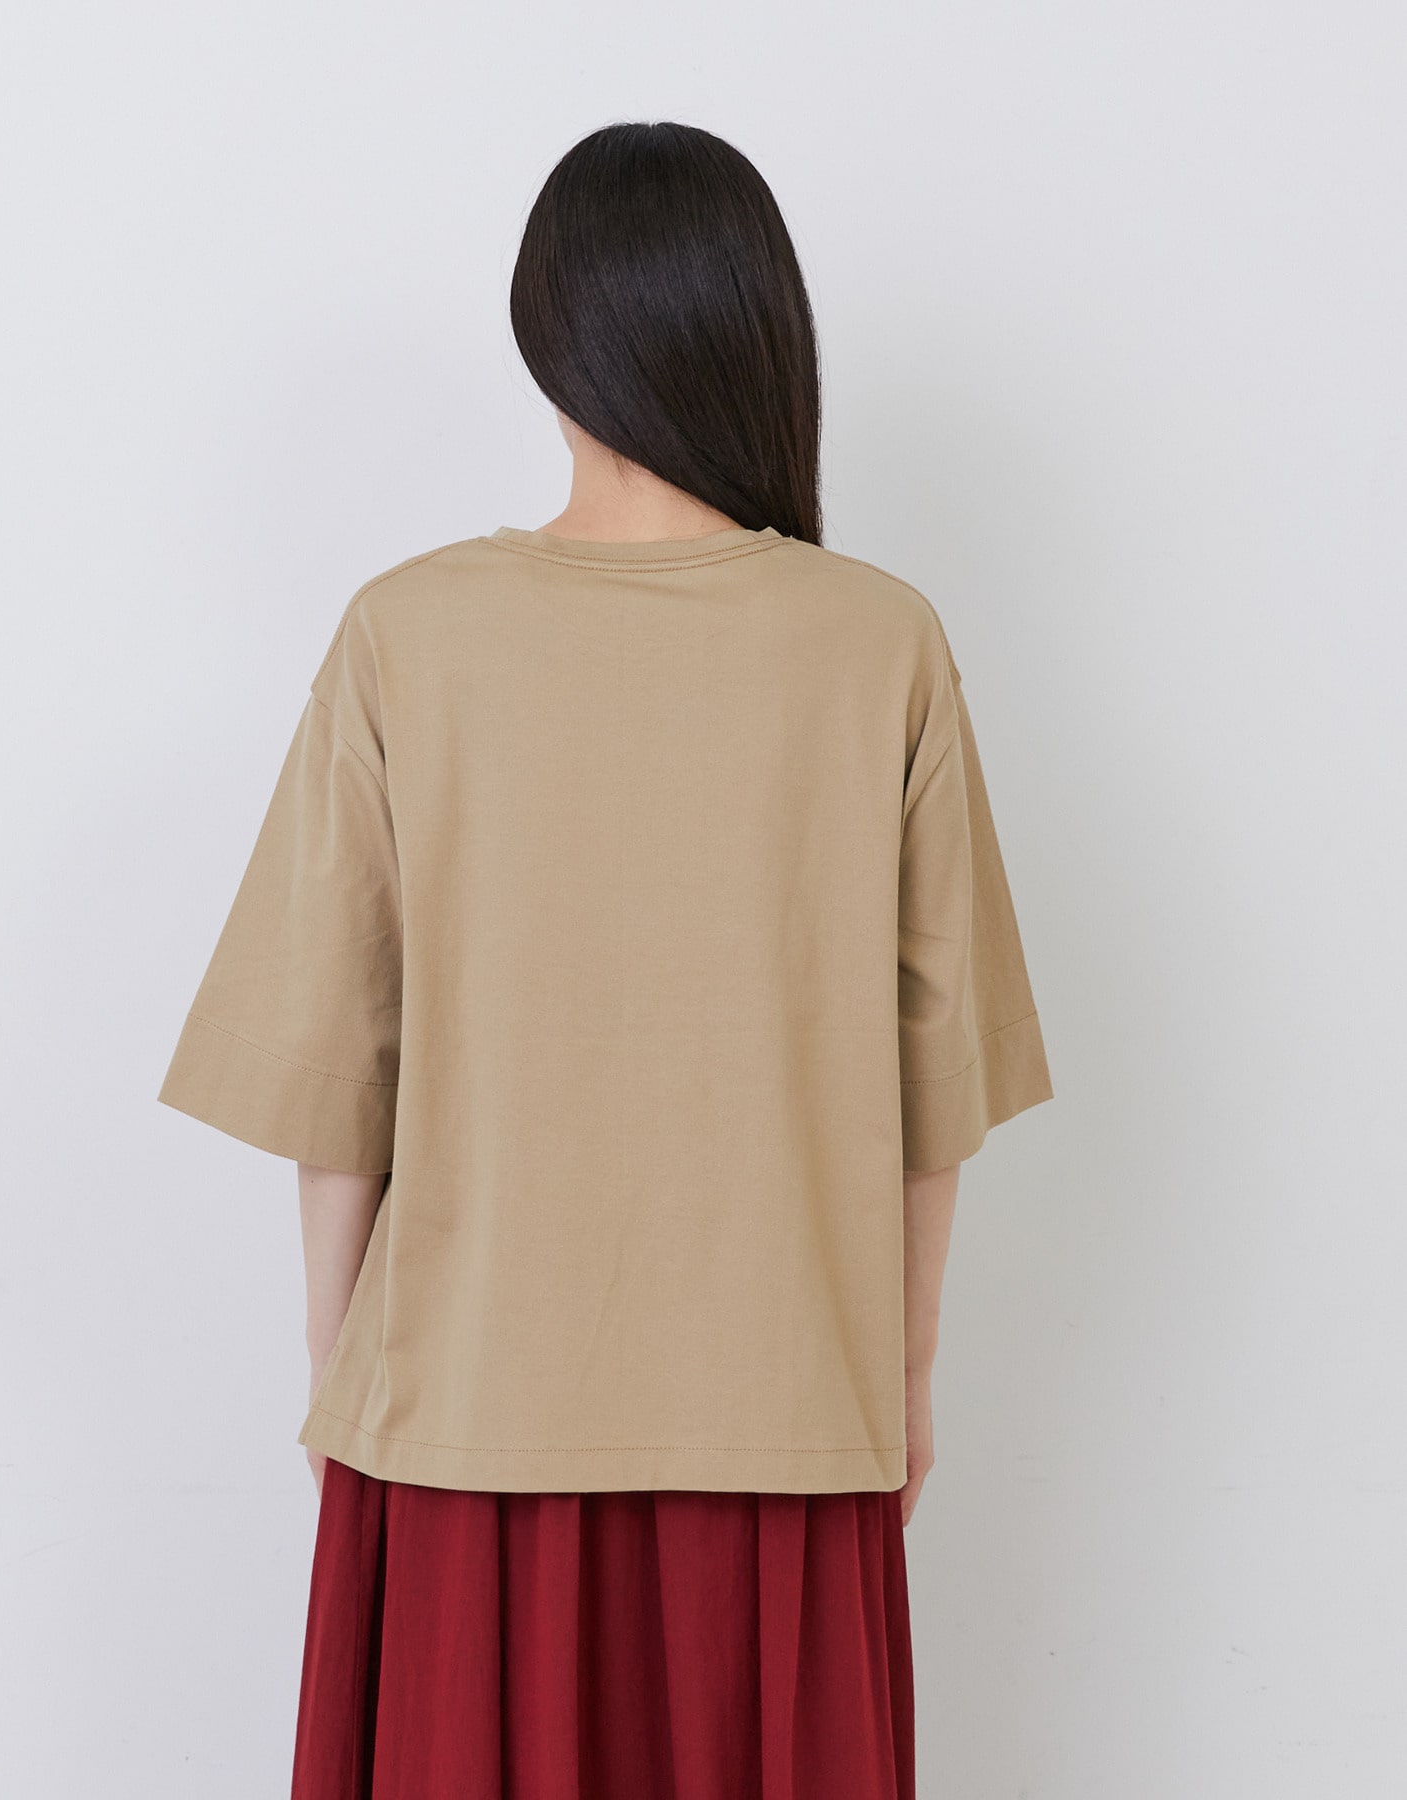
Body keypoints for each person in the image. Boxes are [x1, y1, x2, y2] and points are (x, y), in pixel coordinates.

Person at [158, 119, 1053, 1800]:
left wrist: (345, 1373)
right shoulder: (881, 643)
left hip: (462, 1426)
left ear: (547, 338)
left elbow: (335, 1076)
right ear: (759, 332)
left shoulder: (407, 632)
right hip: (791, 1424)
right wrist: (902, 1377)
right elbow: (937, 1090)